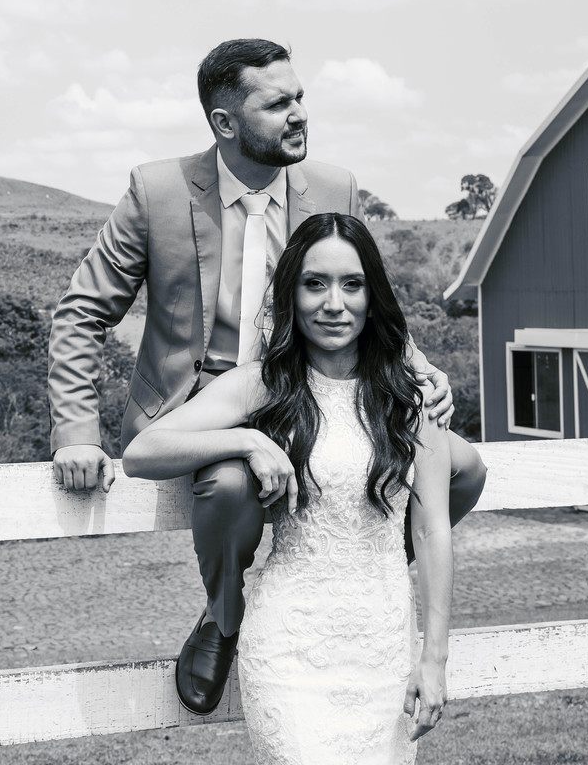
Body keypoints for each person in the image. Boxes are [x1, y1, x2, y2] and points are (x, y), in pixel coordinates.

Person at [47, 38, 484, 715]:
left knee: (464, 469)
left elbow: (361, 297)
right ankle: (223, 618)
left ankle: (357, 578)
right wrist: (77, 433)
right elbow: (81, 313)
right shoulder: (156, 191)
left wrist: (423, 371)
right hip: (202, 409)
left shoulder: (334, 187)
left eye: (300, 97)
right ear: (225, 123)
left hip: (309, 393)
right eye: (278, 104)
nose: (299, 113)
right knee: (229, 486)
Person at [123, 212, 451, 762]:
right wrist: (246, 441)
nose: (334, 303)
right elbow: (141, 452)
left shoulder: (414, 397)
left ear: (373, 297)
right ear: (291, 296)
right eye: (314, 283)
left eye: (352, 284)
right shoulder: (265, 384)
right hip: (289, 648)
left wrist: (434, 660)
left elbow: (433, 529)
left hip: (384, 647)